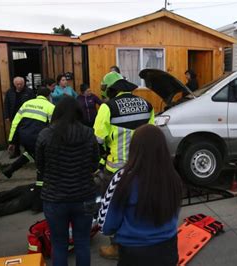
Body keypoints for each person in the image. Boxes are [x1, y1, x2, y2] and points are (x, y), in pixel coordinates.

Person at [102, 124, 182, 266]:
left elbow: (108, 224)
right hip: (168, 249)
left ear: (134, 148)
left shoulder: (123, 178)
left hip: (133, 253)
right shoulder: (173, 177)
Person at [94, 72, 154, 259]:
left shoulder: (107, 107)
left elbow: (98, 138)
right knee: (140, 205)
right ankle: (142, 242)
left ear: (111, 89)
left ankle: (117, 248)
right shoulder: (146, 104)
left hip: (116, 169)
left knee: (114, 207)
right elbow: (151, 133)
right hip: (142, 167)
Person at [36, 96, 99, 266]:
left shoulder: (45, 135)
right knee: (83, 242)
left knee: (58, 243)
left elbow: (40, 166)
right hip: (85, 196)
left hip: (54, 198)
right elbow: (94, 164)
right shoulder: (88, 133)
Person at [3, 88, 54, 182]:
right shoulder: (50, 106)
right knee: (41, 162)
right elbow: (53, 126)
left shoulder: (26, 104)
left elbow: (15, 123)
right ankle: (40, 186)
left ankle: (11, 169)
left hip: (24, 137)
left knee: (31, 153)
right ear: (48, 96)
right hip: (38, 138)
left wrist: (12, 141)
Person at [4, 76, 35, 158]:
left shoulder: (29, 92)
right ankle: (16, 152)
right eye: (17, 84)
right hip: (14, 116)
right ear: (14, 84)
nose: (19, 86)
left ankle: (28, 153)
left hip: (26, 116)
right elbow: (6, 104)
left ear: (24, 83)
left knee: (27, 134)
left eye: (21, 84)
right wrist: (7, 116)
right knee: (14, 134)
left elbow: (33, 103)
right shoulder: (9, 92)